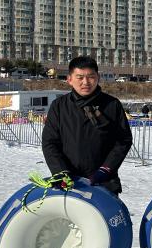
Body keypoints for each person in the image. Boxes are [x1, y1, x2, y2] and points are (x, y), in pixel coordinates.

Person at [41, 56, 133, 196]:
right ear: (69, 79)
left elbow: (123, 140)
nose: (86, 82)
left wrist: (106, 169)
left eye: (91, 77)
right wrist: (60, 171)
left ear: (98, 77)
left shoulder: (112, 105)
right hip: (68, 181)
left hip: (104, 182)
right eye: (80, 77)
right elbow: (50, 142)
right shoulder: (59, 106)